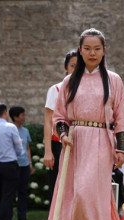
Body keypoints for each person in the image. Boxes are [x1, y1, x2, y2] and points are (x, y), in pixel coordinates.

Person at [41, 28, 124, 220]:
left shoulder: (114, 80)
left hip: (101, 140)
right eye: (87, 48)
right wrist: (63, 135)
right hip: (74, 143)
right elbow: (59, 117)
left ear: (104, 50)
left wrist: (120, 149)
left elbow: (121, 118)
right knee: (72, 194)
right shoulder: (70, 81)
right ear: (80, 50)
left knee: (88, 194)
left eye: (97, 48)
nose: (92, 53)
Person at [43, 49, 78, 204]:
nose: (76, 70)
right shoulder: (56, 89)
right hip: (59, 143)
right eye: (72, 66)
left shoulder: (89, 89)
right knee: (58, 187)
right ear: (65, 68)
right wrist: (48, 152)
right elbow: (48, 121)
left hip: (81, 142)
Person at [8, 106, 34, 220]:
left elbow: (27, 148)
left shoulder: (25, 131)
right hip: (13, 165)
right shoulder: (9, 130)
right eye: (22, 115)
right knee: (11, 192)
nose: (24, 117)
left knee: (23, 191)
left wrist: (30, 163)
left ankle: (22, 216)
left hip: (24, 165)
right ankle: (8, 217)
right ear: (15, 117)